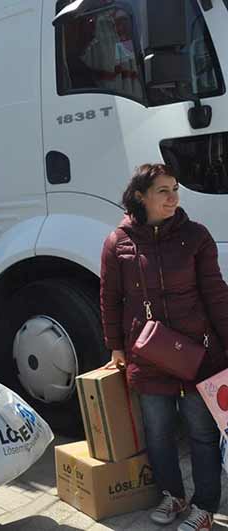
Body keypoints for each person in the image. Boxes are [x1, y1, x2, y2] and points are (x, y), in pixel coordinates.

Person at [100, 163, 228, 531]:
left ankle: (204, 507)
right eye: (163, 191)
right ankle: (173, 495)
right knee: (157, 433)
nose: (173, 197)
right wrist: (115, 347)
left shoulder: (196, 237)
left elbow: (216, 295)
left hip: (197, 353)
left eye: (175, 189)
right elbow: (110, 299)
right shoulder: (117, 241)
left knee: (202, 433)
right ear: (140, 196)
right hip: (148, 353)